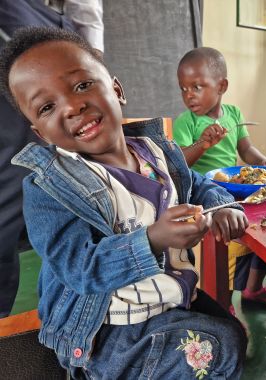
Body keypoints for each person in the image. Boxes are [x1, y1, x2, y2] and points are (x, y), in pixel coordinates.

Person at [0, 26, 248, 379]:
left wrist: (222, 205)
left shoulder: (159, 153)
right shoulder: (50, 188)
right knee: (219, 347)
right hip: (107, 333)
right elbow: (79, 268)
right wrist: (151, 240)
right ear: (41, 132)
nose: (73, 106)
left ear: (116, 90)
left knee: (230, 328)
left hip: (165, 300)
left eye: (82, 85)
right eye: (48, 106)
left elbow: (199, 185)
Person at [0, 0, 103, 318]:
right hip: (21, 16)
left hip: (59, 24)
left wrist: (92, 53)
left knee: (63, 177)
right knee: (14, 175)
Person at [173, 47, 266, 311]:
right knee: (227, 235)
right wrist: (202, 144)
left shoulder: (234, 114)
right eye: (183, 88)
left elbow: (246, 150)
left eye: (197, 86)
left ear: (221, 85)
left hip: (236, 187)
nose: (188, 95)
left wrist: (263, 162)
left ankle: (252, 289)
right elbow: (179, 164)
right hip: (206, 193)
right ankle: (223, 303)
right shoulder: (186, 121)